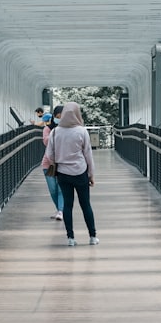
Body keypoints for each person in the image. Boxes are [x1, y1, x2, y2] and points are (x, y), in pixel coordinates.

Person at [45, 101, 98, 246]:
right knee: (85, 204)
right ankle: (92, 236)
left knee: (67, 205)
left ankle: (70, 238)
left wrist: (59, 160)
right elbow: (88, 155)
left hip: (62, 173)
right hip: (80, 172)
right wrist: (91, 174)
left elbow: (49, 154)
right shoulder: (82, 131)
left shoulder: (55, 132)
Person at [40, 106, 64, 220]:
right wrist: (57, 133)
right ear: (54, 117)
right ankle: (59, 209)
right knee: (53, 189)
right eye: (58, 117)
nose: (60, 119)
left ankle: (60, 211)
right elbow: (46, 142)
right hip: (48, 164)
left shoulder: (68, 129)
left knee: (60, 188)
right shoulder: (47, 129)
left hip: (63, 163)